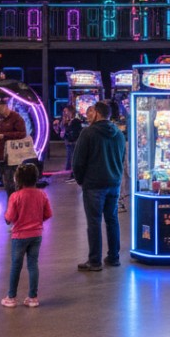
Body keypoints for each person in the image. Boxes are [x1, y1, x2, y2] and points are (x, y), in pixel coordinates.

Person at [73, 101, 126, 271]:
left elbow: (78, 161)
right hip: (114, 183)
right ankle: (114, 257)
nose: (88, 115)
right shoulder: (118, 133)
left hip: (94, 184)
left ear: (97, 113)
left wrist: (81, 180)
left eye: (91, 112)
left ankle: (95, 261)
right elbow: (122, 157)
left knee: (94, 222)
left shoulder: (88, 133)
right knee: (112, 220)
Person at [2, 163, 52, 308]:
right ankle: (33, 297)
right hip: (37, 235)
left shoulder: (15, 196)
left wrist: (6, 219)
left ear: (18, 179)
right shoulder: (42, 194)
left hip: (19, 236)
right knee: (33, 265)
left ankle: (11, 297)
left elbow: (10, 217)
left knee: (16, 266)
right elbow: (48, 213)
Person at [55, 105, 84, 181]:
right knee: (69, 159)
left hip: (74, 142)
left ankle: (74, 176)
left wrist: (66, 126)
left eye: (66, 111)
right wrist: (57, 126)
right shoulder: (64, 121)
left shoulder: (76, 121)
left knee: (73, 159)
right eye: (63, 111)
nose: (64, 113)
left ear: (71, 112)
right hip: (68, 142)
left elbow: (74, 133)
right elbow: (61, 133)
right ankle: (71, 174)